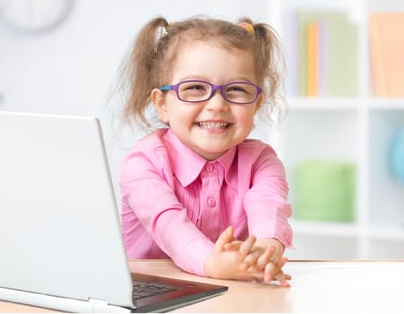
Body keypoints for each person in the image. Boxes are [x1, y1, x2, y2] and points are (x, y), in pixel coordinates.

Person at [117, 15, 293, 286]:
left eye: (236, 89)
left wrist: (264, 253)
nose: (217, 104)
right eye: (195, 88)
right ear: (162, 104)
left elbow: (269, 206)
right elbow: (168, 224)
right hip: (149, 292)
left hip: (232, 292)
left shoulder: (262, 162)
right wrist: (212, 262)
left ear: (256, 104)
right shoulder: (143, 163)